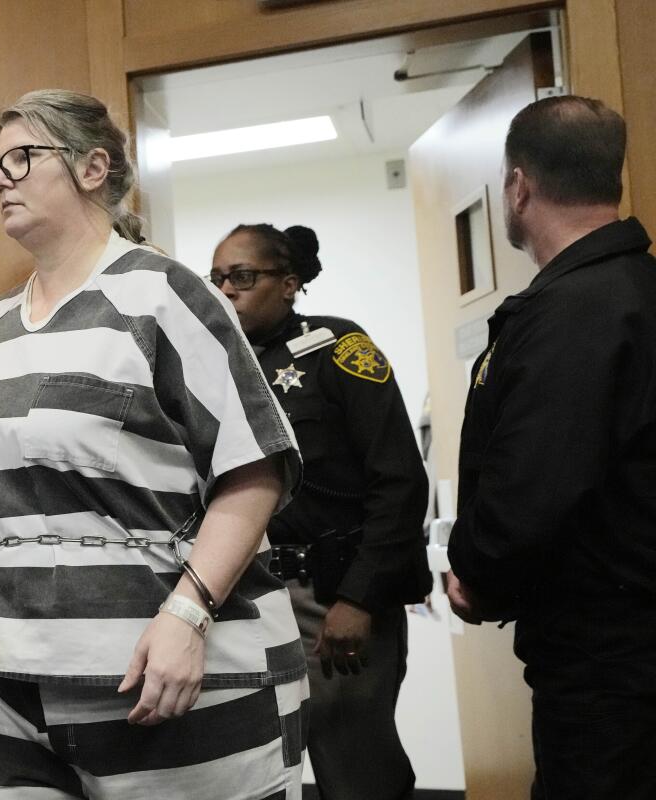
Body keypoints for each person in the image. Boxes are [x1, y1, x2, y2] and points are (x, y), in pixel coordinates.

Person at [0, 89, 308, 800]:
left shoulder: (164, 293)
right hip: (12, 678)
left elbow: (255, 469)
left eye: (22, 158)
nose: (1, 180)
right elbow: (17, 480)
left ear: (93, 168)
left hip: (165, 674)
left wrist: (188, 615)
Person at [445, 95, 656, 800]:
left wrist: (477, 570)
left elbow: (534, 488)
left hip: (607, 662)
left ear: (518, 185)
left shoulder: (576, 309)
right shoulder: (633, 288)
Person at [210, 223, 430, 800]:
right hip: (245, 596)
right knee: (250, 770)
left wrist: (358, 598)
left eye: (242, 276)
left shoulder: (339, 348)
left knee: (357, 771)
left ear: (288, 283)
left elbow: (400, 482)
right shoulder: (213, 366)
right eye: (218, 279)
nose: (226, 290)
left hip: (329, 596)